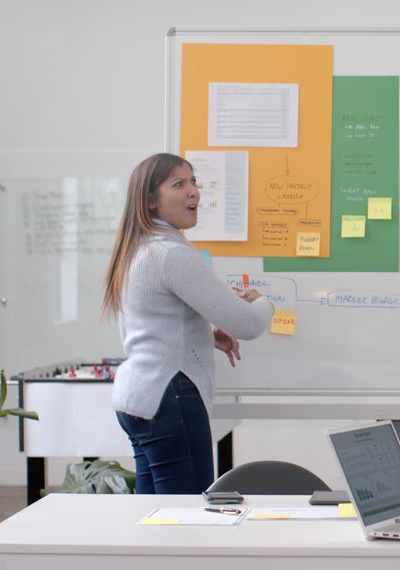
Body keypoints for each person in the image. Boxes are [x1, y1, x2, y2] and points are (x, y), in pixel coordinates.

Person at [102, 153, 273, 494]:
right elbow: (247, 324)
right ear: (150, 201)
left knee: (154, 517)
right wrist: (263, 302)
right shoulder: (171, 253)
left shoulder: (139, 248)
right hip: (169, 400)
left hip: (139, 398)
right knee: (187, 517)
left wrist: (206, 336)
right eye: (178, 184)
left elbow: (154, 324)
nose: (193, 191)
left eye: (193, 181)